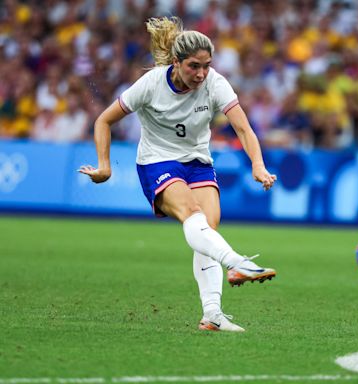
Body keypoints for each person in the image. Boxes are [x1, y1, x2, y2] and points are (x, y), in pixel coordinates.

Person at [79, 16, 277, 333]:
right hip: (157, 161)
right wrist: (104, 165)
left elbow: (243, 127)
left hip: (198, 161)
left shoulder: (215, 82)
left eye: (206, 66)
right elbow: (103, 120)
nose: (201, 74)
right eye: (193, 66)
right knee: (192, 213)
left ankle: (212, 315)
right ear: (176, 62)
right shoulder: (151, 84)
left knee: (207, 231)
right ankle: (238, 263)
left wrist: (257, 164)